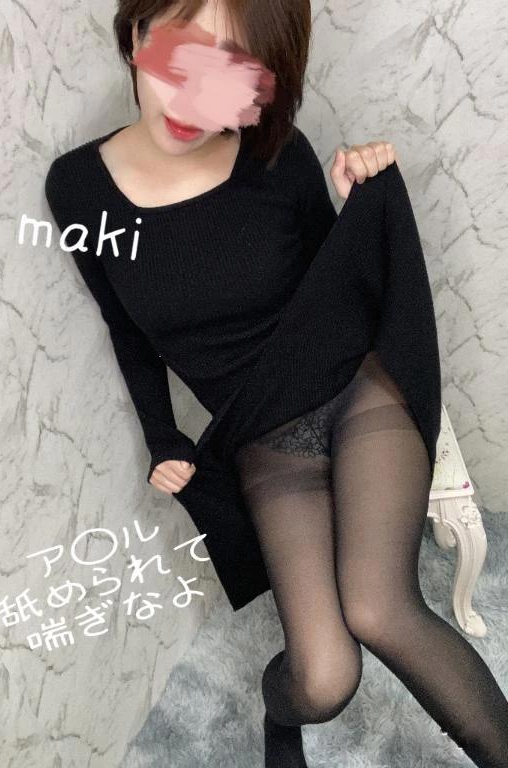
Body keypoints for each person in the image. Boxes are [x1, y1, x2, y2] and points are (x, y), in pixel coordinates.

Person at [44, 1, 508, 766]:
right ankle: (277, 715)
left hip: (354, 386)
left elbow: (335, 282)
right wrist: (163, 436)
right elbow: (125, 327)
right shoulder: (77, 188)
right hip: (265, 431)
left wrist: (359, 201)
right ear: (135, 36)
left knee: (379, 609)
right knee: (323, 680)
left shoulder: (278, 156)